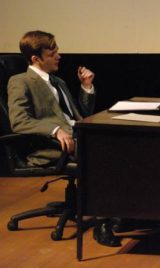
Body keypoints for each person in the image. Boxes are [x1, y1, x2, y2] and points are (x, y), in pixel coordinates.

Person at [7, 30, 120, 247]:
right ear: (35, 59)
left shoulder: (58, 81)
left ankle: (129, 212)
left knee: (124, 145)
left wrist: (86, 87)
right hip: (48, 146)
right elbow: (19, 121)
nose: (59, 56)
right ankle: (103, 223)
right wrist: (55, 130)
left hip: (75, 136)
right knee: (104, 154)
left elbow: (79, 116)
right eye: (52, 53)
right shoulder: (20, 81)